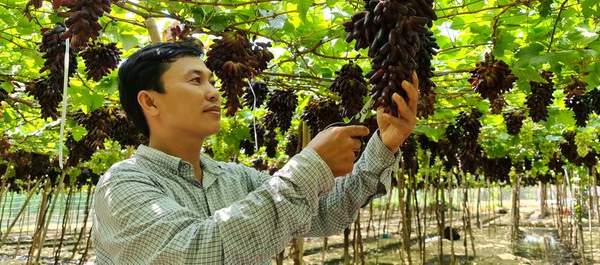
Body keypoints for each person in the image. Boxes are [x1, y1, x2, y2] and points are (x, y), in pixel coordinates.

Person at [92, 42, 419, 264]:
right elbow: (197, 253)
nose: (213, 93)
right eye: (195, 81)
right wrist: (308, 167)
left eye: (212, 82)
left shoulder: (234, 177)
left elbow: (322, 213)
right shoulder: (122, 184)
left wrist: (386, 144)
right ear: (150, 102)